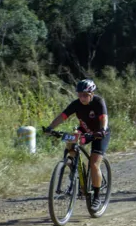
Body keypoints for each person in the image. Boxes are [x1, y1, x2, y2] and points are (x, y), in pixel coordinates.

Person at [44, 79, 110, 210]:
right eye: (80, 95)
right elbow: (62, 116)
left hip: (99, 134)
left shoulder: (98, 102)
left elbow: (104, 118)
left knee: (94, 164)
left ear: (91, 94)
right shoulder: (76, 104)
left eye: (85, 95)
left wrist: (102, 130)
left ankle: (96, 196)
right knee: (70, 141)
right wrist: (50, 127)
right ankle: (75, 170)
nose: (82, 98)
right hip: (84, 131)